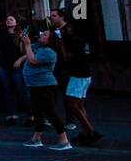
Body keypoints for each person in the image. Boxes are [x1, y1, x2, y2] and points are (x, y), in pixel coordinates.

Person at [50, 8, 100, 146]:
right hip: (80, 72)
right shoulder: (63, 32)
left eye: (54, 16)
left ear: (62, 17)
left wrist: (60, 42)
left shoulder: (67, 32)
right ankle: (88, 131)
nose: (52, 18)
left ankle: (90, 131)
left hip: (78, 73)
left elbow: (67, 56)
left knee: (73, 104)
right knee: (78, 104)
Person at [20, 27, 73, 151]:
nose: (41, 35)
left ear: (50, 40)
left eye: (44, 34)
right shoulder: (38, 47)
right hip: (34, 85)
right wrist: (24, 41)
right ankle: (36, 138)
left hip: (44, 85)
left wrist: (27, 44)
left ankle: (64, 139)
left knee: (51, 112)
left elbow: (33, 60)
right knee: (37, 112)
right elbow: (25, 51)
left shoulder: (50, 51)